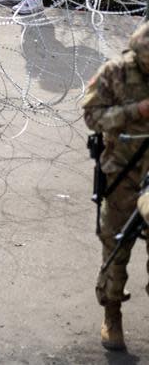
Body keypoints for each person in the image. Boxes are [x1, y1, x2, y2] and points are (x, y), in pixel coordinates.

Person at [79, 20, 149, 351]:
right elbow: (92, 116)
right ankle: (112, 314)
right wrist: (135, 111)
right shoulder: (116, 72)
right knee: (116, 246)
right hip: (123, 172)